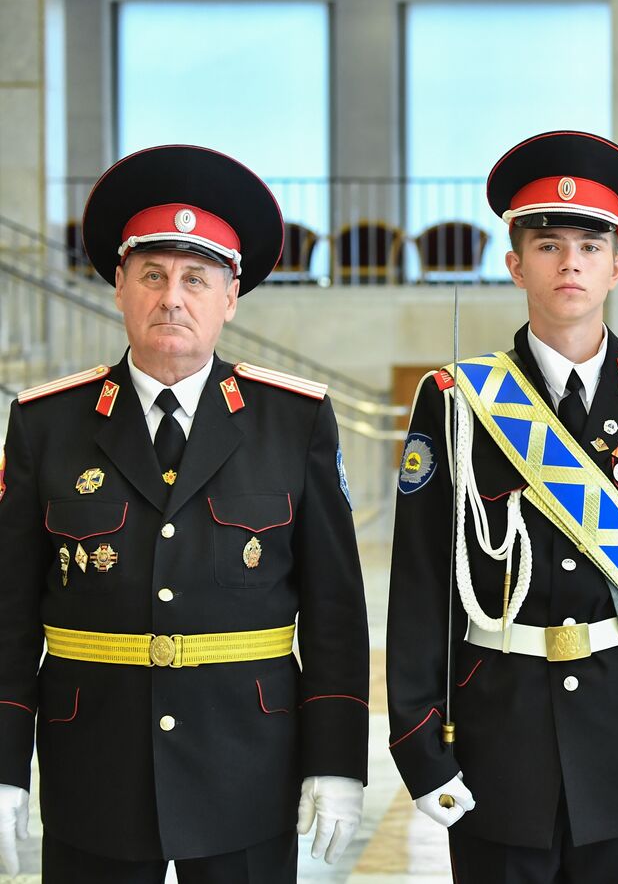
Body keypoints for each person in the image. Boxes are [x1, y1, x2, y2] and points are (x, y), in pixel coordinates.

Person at [0, 144, 370, 881]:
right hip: (95, 771)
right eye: (153, 274)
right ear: (118, 287)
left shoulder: (295, 421)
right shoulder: (47, 422)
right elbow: (7, 614)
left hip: (247, 770)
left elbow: (335, 612)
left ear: (230, 297)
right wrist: (5, 765)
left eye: (196, 278)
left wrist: (336, 761)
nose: (172, 296)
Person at [385, 130, 618, 884]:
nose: (571, 261)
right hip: (498, 739)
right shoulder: (458, 401)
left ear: (617, 266)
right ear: (515, 263)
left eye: (590, 245)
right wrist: (418, 745)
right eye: (547, 242)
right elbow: (422, 580)